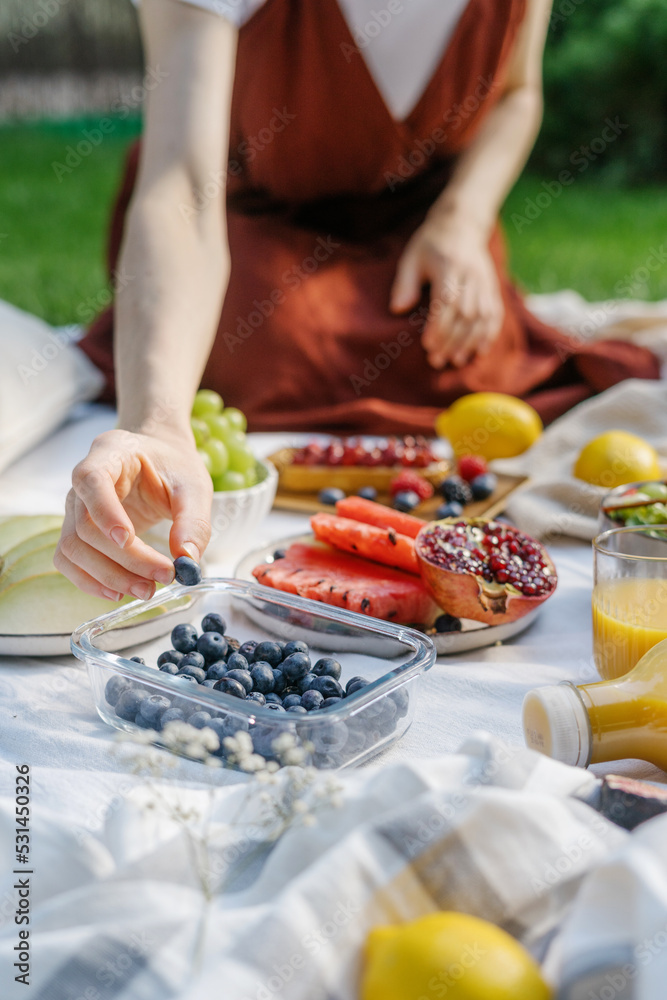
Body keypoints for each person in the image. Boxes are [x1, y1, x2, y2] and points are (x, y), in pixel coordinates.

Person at [55, 0, 659, 601]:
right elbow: (181, 185)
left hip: (420, 228)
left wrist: (461, 220)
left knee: (460, 342)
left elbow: (518, 94)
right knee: (270, 345)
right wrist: (157, 424)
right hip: (261, 227)